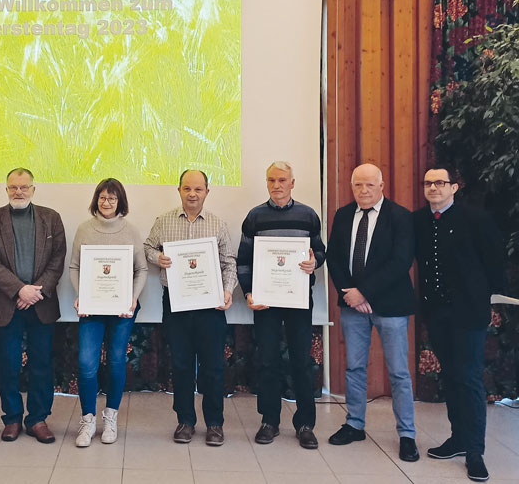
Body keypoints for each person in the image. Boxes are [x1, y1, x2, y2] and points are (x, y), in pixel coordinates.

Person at [414, 167, 506, 482]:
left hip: (469, 313)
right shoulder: (419, 220)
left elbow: (495, 263)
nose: (433, 188)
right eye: (428, 183)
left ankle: (475, 452)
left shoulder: (476, 219)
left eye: (440, 183)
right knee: (451, 376)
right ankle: (457, 438)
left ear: (454, 187)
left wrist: (483, 298)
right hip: (437, 313)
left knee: (468, 379)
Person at [325, 163, 419, 462]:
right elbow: (335, 259)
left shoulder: (401, 217)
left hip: (390, 306)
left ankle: (407, 434)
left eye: (369, 185)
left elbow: (400, 261)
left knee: (399, 372)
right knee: (354, 368)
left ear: (381, 186)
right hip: (353, 305)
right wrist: (350, 294)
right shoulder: (342, 215)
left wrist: (365, 292)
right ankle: (354, 424)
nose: (363, 191)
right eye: (357, 185)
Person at [143, 169, 237, 446]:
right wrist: (158, 258)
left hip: (210, 304)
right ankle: (185, 421)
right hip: (176, 303)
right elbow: (147, 247)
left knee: (213, 367)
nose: (192, 194)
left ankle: (215, 424)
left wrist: (228, 290)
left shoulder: (218, 225)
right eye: (187, 189)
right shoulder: (164, 221)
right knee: (181, 365)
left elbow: (228, 263)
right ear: (179, 190)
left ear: (207, 191)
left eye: (198, 189)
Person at [236, 161, 326, 449]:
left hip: (299, 300)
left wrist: (315, 263)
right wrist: (249, 292)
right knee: (268, 361)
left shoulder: (308, 215)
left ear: (292, 183)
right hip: (265, 302)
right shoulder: (255, 217)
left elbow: (320, 251)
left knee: (301, 361)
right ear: (266, 183)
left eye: (282, 180)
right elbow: (244, 260)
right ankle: (270, 421)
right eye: (272, 180)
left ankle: (304, 424)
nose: (277, 185)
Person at [0, 168, 66, 444]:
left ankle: (38, 419)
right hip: (8, 304)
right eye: (13, 187)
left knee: (41, 364)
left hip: (41, 304)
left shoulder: (51, 218)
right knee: (9, 364)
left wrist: (35, 292)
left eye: (24, 187)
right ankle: (12, 419)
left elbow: (58, 259)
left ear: (33, 189)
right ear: (6, 189)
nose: (19, 192)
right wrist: (20, 289)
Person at [70, 178, 148, 447]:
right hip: (91, 308)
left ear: (120, 202)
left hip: (122, 309)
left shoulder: (131, 230)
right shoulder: (84, 229)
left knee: (116, 360)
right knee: (86, 364)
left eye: (112, 198)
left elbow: (142, 269)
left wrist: (133, 298)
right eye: (102, 197)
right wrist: (81, 295)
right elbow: (75, 267)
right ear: (96, 199)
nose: (106, 202)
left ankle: (111, 417)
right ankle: (88, 420)